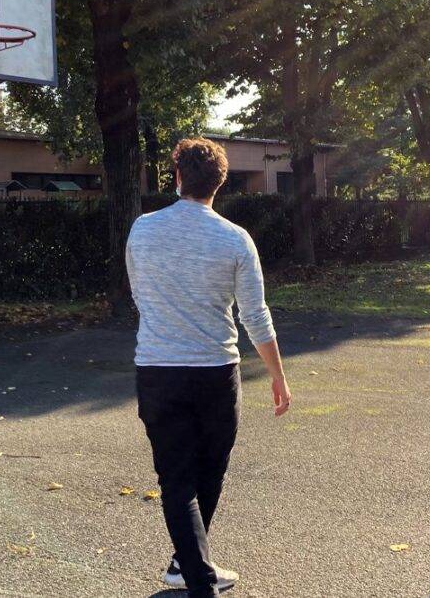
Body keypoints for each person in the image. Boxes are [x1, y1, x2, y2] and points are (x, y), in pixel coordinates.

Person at [126, 137, 293, 598]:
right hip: (216, 371)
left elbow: (138, 295)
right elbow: (255, 316)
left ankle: (186, 564)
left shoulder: (142, 229)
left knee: (180, 479)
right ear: (220, 182)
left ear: (177, 177)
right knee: (207, 471)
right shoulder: (235, 239)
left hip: (157, 370)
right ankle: (201, 583)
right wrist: (278, 375)